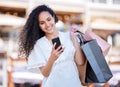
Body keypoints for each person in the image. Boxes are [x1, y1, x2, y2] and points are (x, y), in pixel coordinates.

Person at [19, 4, 85, 87]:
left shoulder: (68, 36)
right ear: (38, 26)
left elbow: (80, 62)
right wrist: (52, 58)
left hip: (74, 84)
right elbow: (45, 74)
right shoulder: (39, 44)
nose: (47, 25)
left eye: (49, 19)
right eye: (42, 23)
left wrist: (75, 40)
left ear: (53, 17)